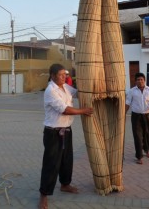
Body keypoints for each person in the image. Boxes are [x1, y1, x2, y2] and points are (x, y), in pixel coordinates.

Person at [39, 64, 93, 209]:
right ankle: (44, 195)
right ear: (52, 75)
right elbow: (65, 110)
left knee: (66, 160)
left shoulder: (65, 87)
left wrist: (91, 87)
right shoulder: (51, 90)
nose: (64, 77)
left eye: (65, 74)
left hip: (66, 130)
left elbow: (78, 93)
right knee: (51, 164)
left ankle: (65, 184)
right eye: (61, 75)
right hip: (53, 132)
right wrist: (84, 111)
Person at [125, 72, 149, 165]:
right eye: (138, 80)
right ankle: (139, 156)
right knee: (138, 136)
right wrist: (123, 115)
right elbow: (127, 104)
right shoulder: (131, 91)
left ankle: (146, 150)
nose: (140, 81)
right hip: (136, 116)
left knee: (147, 134)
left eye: (141, 79)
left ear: (144, 80)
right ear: (135, 81)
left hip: (147, 116)